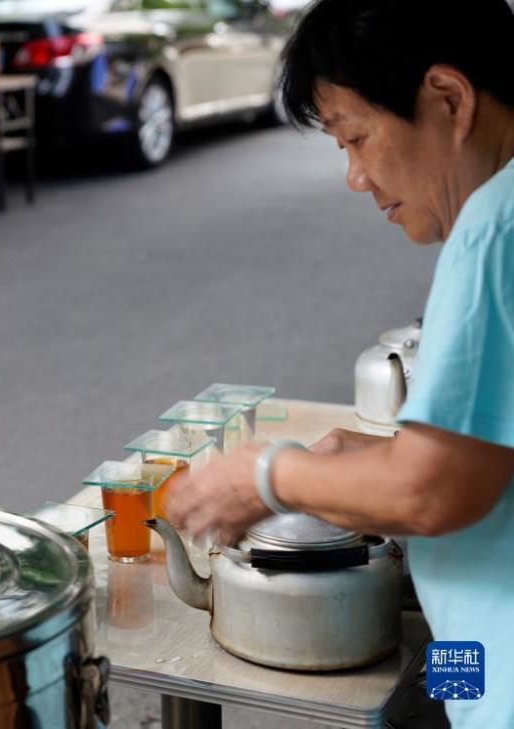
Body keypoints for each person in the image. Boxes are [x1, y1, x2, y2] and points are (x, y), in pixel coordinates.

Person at [162, 1, 514, 726]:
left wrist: (265, 474)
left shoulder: (490, 230)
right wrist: (388, 455)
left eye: (356, 138)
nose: (355, 177)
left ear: (448, 98)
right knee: (407, 704)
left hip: (498, 679)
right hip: (468, 650)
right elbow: (466, 465)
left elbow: (431, 492)